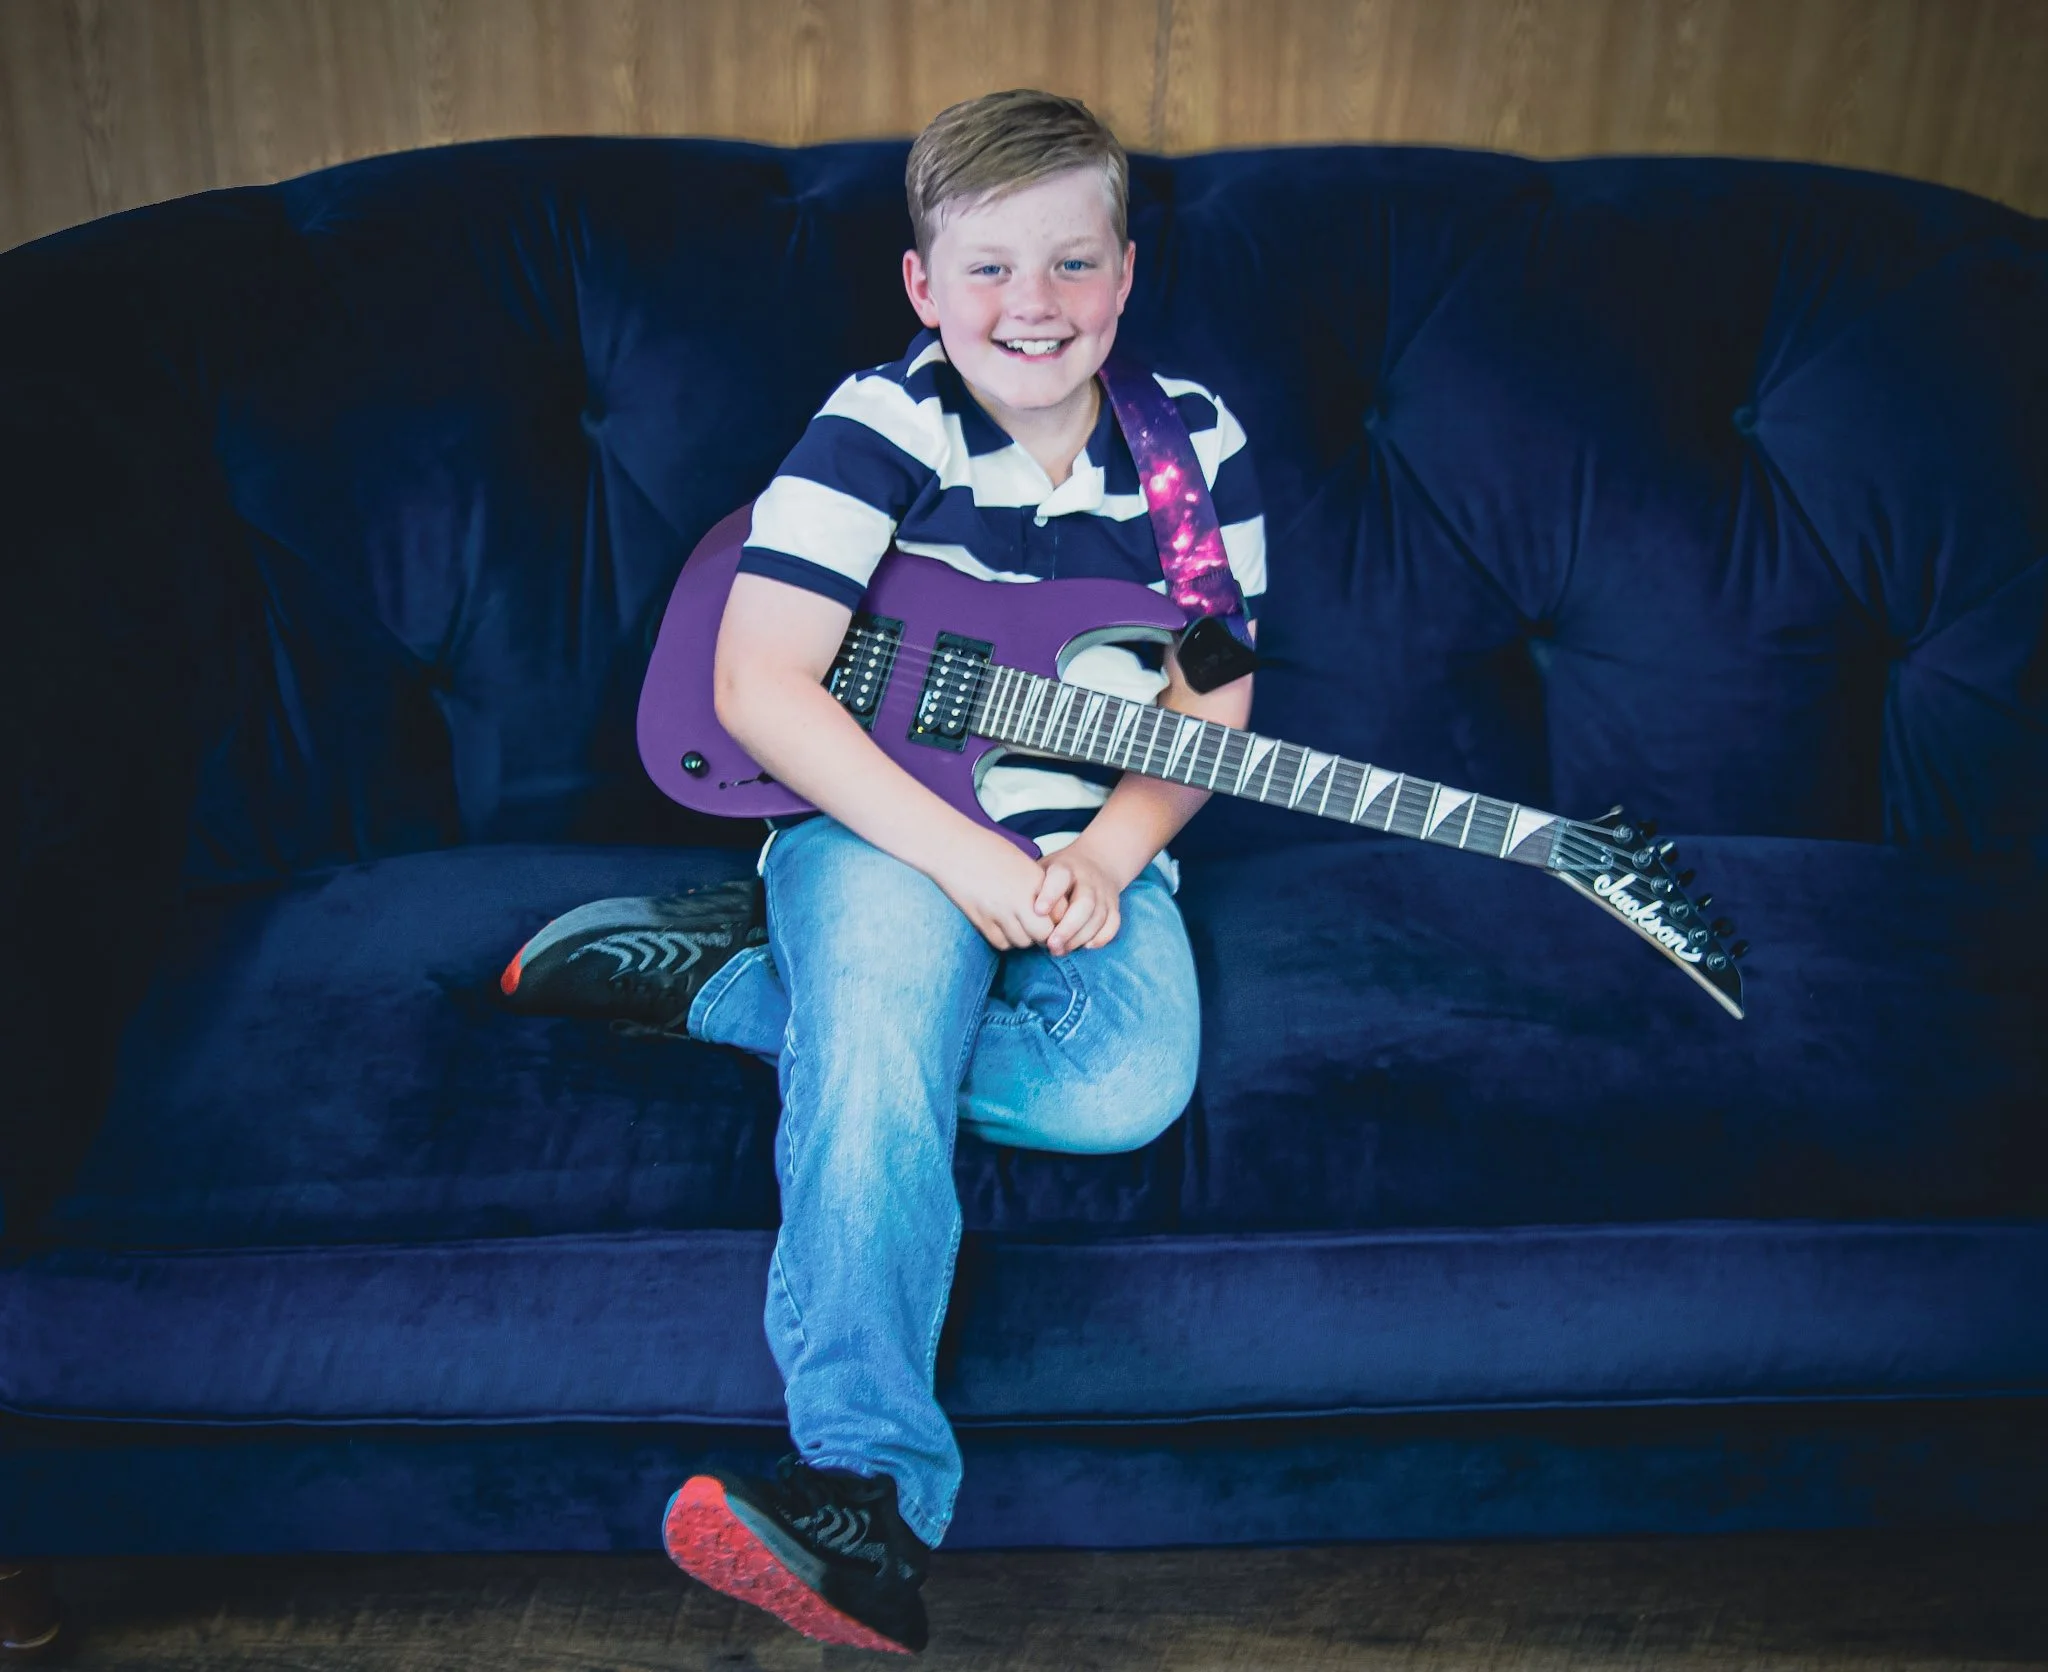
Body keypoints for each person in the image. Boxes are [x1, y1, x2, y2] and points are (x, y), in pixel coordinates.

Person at [503, 88, 1265, 1655]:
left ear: (1125, 272)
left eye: (1070, 265)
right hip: (885, 822)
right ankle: (862, 1488)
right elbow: (762, 680)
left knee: (1122, 1086)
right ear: (923, 284)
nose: (1032, 307)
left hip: (1086, 838)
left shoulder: (1194, 450)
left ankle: (725, 981)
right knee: (874, 1053)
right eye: (987, 269)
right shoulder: (883, 427)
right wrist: (960, 855)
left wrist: (1114, 851)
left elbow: (1216, 696)